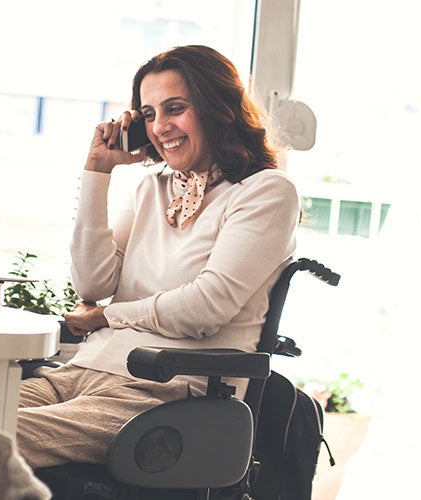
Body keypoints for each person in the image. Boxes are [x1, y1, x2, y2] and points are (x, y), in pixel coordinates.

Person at [16, 45, 300, 469]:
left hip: (163, 393)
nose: (161, 127)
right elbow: (92, 284)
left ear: (218, 109)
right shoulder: (153, 188)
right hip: (80, 371)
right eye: (148, 114)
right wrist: (98, 171)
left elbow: (204, 307)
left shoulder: (265, 192)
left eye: (176, 108)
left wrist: (106, 317)